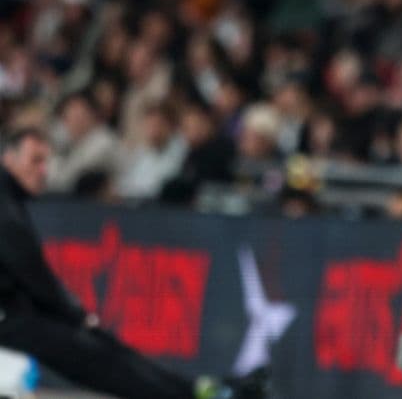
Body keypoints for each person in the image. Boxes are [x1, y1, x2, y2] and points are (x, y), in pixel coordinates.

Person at [0, 127, 267, 399]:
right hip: (9, 321)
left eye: (46, 161)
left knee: (102, 347)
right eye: (35, 160)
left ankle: (197, 391)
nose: (43, 170)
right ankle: (194, 393)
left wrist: (73, 315)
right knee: (94, 351)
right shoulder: (5, 207)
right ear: (8, 158)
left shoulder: (10, 200)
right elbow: (32, 275)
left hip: (17, 315)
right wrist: (74, 315)